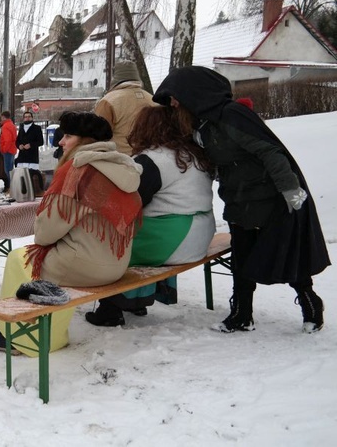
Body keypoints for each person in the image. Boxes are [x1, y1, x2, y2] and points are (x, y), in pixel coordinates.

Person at [153, 66, 330, 333]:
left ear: (194, 93)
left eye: (175, 97)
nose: (174, 104)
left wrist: (291, 192)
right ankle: (241, 315)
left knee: (285, 252)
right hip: (239, 200)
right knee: (242, 260)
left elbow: (270, 152)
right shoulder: (202, 125)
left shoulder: (232, 115)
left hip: (270, 199)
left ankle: (310, 303)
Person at [0, 112, 143, 355]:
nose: (60, 142)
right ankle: (51, 335)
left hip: (87, 266)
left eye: (67, 136)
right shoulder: (120, 165)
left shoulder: (79, 171)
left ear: (85, 141)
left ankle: (16, 338)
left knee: (18, 260)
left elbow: (44, 235)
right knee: (55, 263)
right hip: (117, 262)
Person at [86, 105, 216, 326]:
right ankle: (136, 301)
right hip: (201, 234)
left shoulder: (153, 159)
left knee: (107, 243)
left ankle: (111, 309)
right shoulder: (192, 154)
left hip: (173, 238)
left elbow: (130, 203)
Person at [94, 61, 156, 155]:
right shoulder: (153, 100)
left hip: (119, 161)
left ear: (115, 78)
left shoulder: (109, 101)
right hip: (149, 160)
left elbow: (97, 136)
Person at [0, 111, 17, 190]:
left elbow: (8, 139)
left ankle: (11, 188)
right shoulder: (11, 125)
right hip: (12, 149)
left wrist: (3, 149)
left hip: (7, 151)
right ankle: (13, 187)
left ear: (3, 117)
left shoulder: (5, 126)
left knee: (8, 171)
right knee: (11, 169)